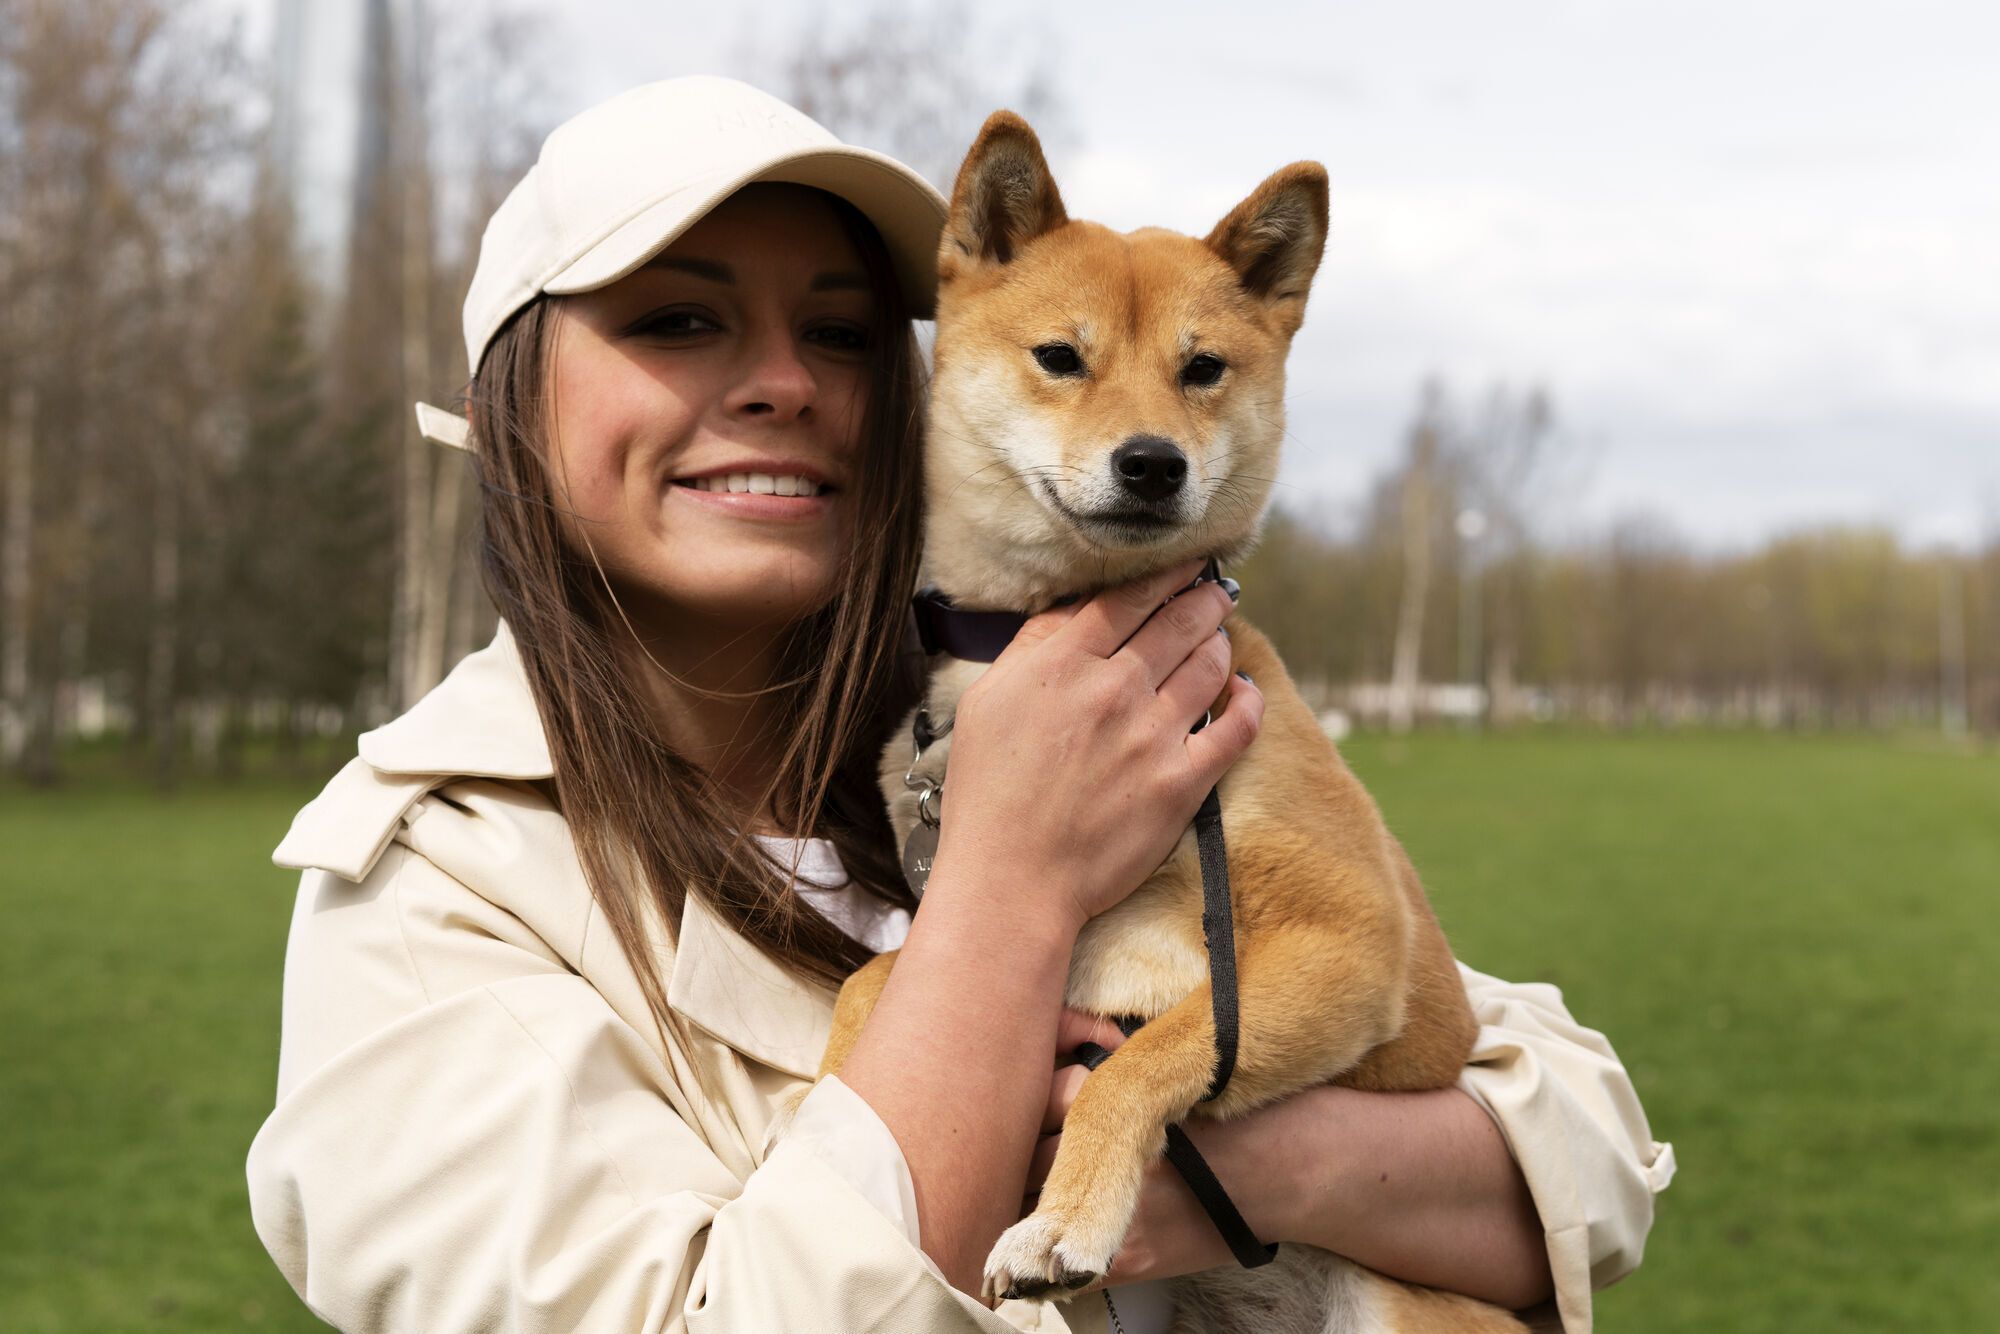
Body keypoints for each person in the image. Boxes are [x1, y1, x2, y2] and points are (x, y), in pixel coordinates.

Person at [248, 77, 1672, 1334]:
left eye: (848, 334)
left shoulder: (1046, 696)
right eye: (678, 320)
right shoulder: (438, 891)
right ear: (510, 398)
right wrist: (1012, 881)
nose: (783, 384)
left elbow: (1586, 1148)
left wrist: (1231, 1173)